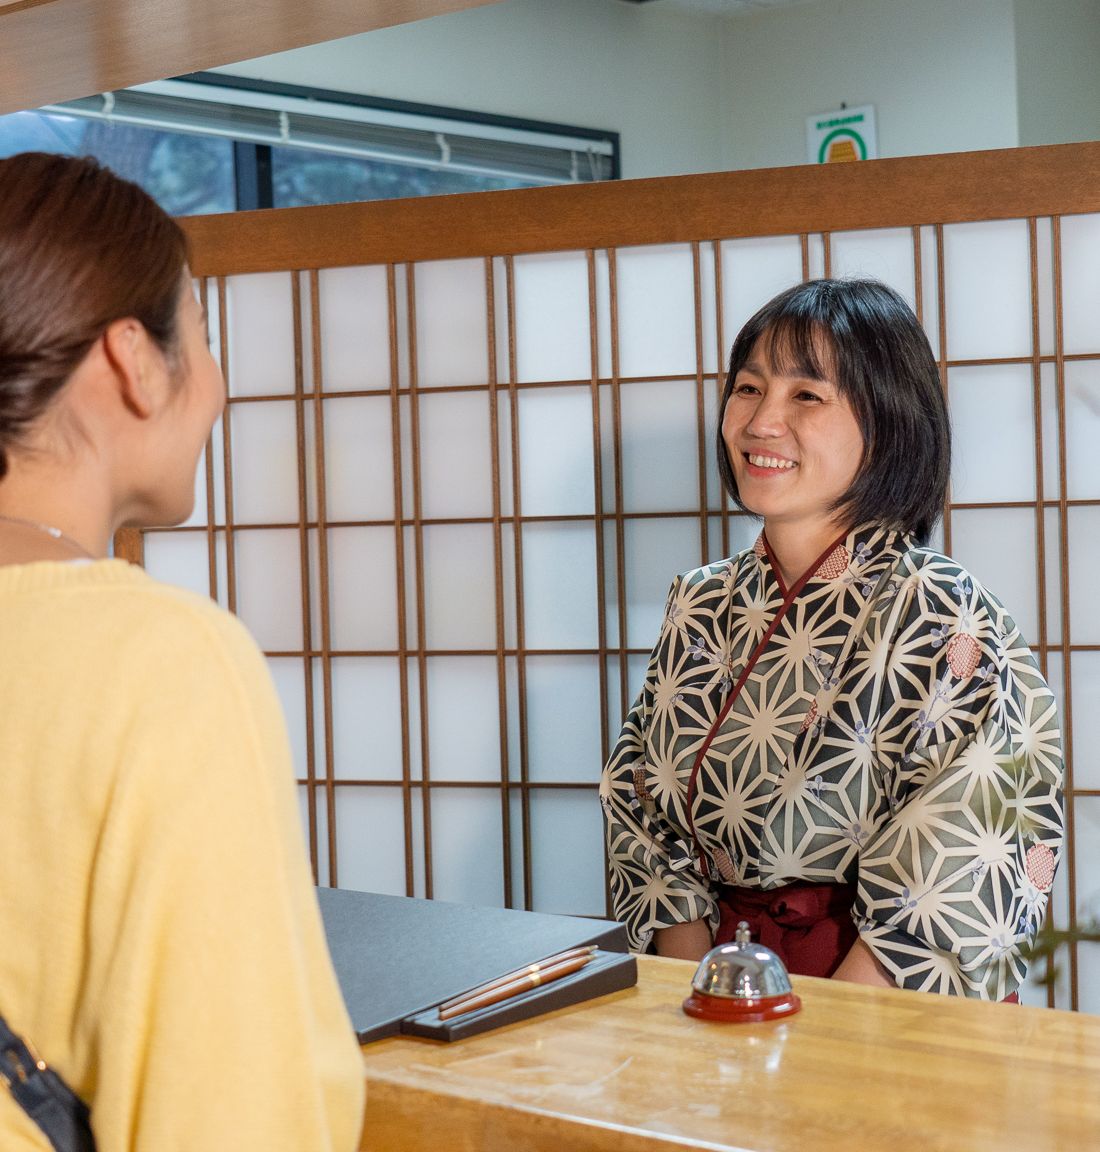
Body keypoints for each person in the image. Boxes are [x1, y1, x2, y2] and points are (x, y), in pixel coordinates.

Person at [0, 154, 364, 1149]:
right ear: (131, 358)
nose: (214, 391)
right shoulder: (158, 660)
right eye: (199, 337)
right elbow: (232, 1112)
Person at [601, 278, 1064, 1000]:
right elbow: (645, 807)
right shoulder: (701, 602)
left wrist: (821, 1029)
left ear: (886, 424)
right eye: (749, 388)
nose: (761, 422)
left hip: (874, 1003)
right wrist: (695, 986)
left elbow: (962, 858)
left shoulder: (948, 614)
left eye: (805, 397)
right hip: (718, 983)